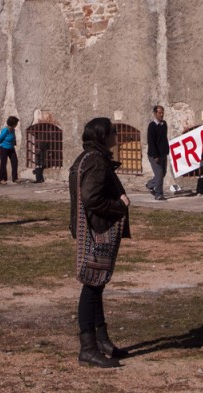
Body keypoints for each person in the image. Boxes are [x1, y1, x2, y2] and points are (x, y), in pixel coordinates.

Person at [69, 117, 131, 369]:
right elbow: (90, 197)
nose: (116, 135)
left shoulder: (88, 157)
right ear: (103, 135)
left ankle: (101, 341)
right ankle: (88, 348)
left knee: (98, 284)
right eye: (113, 132)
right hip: (97, 230)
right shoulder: (95, 160)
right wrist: (119, 206)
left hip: (91, 228)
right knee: (92, 285)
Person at [145, 105, 169, 200]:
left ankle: (150, 184)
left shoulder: (164, 124)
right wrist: (155, 155)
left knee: (163, 174)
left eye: (162, 112)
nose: (161, 115)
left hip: (163, 153)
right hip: (154, 155)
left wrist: (166, 150)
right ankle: (158, 194)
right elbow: (151, 141)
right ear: (155, 114)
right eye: (159, 113)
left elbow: (163, 139)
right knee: (159, 173)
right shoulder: (152, 126)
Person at [0, 116, 19, 185]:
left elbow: (13, 138)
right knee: (3, 163)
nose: (17, 124)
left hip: (11, 148)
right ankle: (2, 179)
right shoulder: (5, 130)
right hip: (4, 148)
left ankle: (15, 178)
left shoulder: (13, 130)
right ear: (13, 124)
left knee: (15, 161)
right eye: (16, 123)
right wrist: (3, 144)